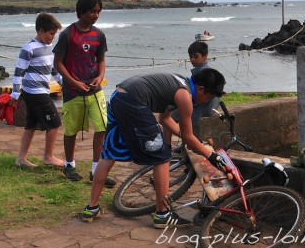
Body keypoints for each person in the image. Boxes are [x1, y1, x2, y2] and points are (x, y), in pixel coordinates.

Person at [82, 68, 229, 228]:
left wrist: (193, 140)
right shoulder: (185, 96)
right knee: (162, 156)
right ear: (201, 88)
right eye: (209, 97)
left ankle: (92, 207)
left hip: (118, 96)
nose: (207, 101)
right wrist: (211, 155)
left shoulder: (179, 83)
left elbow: (165, 119)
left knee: (110, 152)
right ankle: (162, 214)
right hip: (133, 101)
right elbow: (188, 137)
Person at [53, 0, 115, 188]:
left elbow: (101, 60)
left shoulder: (99, 35)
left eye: (98, 11)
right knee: (71, 130)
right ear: (82, 11)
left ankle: (96, 169)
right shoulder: (67, 35)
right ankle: (69, 165)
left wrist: (100, 76)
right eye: (92, 11)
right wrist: (73, 82)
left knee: (102, 128)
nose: (95, 15)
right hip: (73, 91)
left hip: (95, 91)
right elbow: (58, 63)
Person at [9, 12, 65, 168]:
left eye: (54, 34)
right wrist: (15, 93)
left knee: (31, 124)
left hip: (40, 91)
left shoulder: (48, 47)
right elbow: (19, 71)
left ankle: (21, 159)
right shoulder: (29, 48)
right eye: (51, 34)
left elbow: (53, 69)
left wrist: (63, 83)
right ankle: (48, 157)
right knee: (54, 123)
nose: (52, 37)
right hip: (34, 93)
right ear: (41, 31)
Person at [171, 41, 220, 136]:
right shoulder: (202, 71)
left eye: (196, 56)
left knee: (173, 115)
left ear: (205, 56)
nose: (192, 59)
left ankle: (185, 141)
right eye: (191, 57)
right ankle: (186, 141)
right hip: (207, 104)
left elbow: (200, 97)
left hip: (205, 107)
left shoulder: (204, 73)